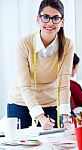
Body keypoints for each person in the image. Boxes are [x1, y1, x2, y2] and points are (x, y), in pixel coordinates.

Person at [7, 0, 74, 129]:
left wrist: (66, 117)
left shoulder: (67, 45)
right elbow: (25, 86)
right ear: (38, 19)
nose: (50, 23)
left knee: (54, 144)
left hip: (50, 102)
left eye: (56, 18)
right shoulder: (24, 44)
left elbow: (64, 84)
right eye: (45, 17)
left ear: (62, 22)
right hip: (20, 102)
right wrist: (40, 117)